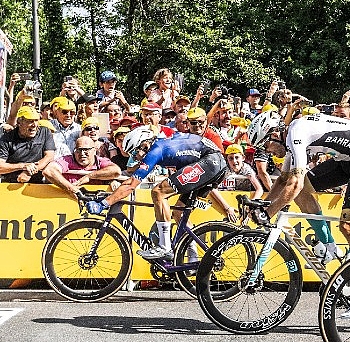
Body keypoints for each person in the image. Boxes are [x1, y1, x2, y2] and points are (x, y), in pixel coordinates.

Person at [247, 111, 350, 318]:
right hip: (347, 160)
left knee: (349, 227)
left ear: (274, 134)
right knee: (301, 188)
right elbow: (284, 180)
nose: (268, 151)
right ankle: (328, 245)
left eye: (266, 145)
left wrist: (267, 213)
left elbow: (294, 184)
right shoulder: (292, 137)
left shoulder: (295, 133)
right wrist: (263, 204)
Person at [85, 127, 227, 260]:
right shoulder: (161, 144)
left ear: (144, 145)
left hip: (210, 161)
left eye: (135, 153)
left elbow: (130, 185)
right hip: (213, 163)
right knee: (179, 214)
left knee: (158, 192)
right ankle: (193, 259)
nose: (135, 158)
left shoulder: (156, 150)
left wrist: (104, 203)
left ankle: (164, 247)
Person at [43, 136, 121, 197]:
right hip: (67, 202)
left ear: (94, 150)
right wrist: (71, 189)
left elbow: (116, 171)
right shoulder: (67, 160)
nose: (82, 154)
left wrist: (89, 176)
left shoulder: (100, 161)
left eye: (86, 150)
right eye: (79, 150)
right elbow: (49, 171)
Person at [0, 106, 55, 183]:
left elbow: (49, 156)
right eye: (30, 121)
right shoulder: (6, 138)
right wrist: (23, 166)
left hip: (37, 184)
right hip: (10, 183)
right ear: (19, 122)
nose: (34, 125)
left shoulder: (45, 132)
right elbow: (0, 167)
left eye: (36, 120)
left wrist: (28, 172)